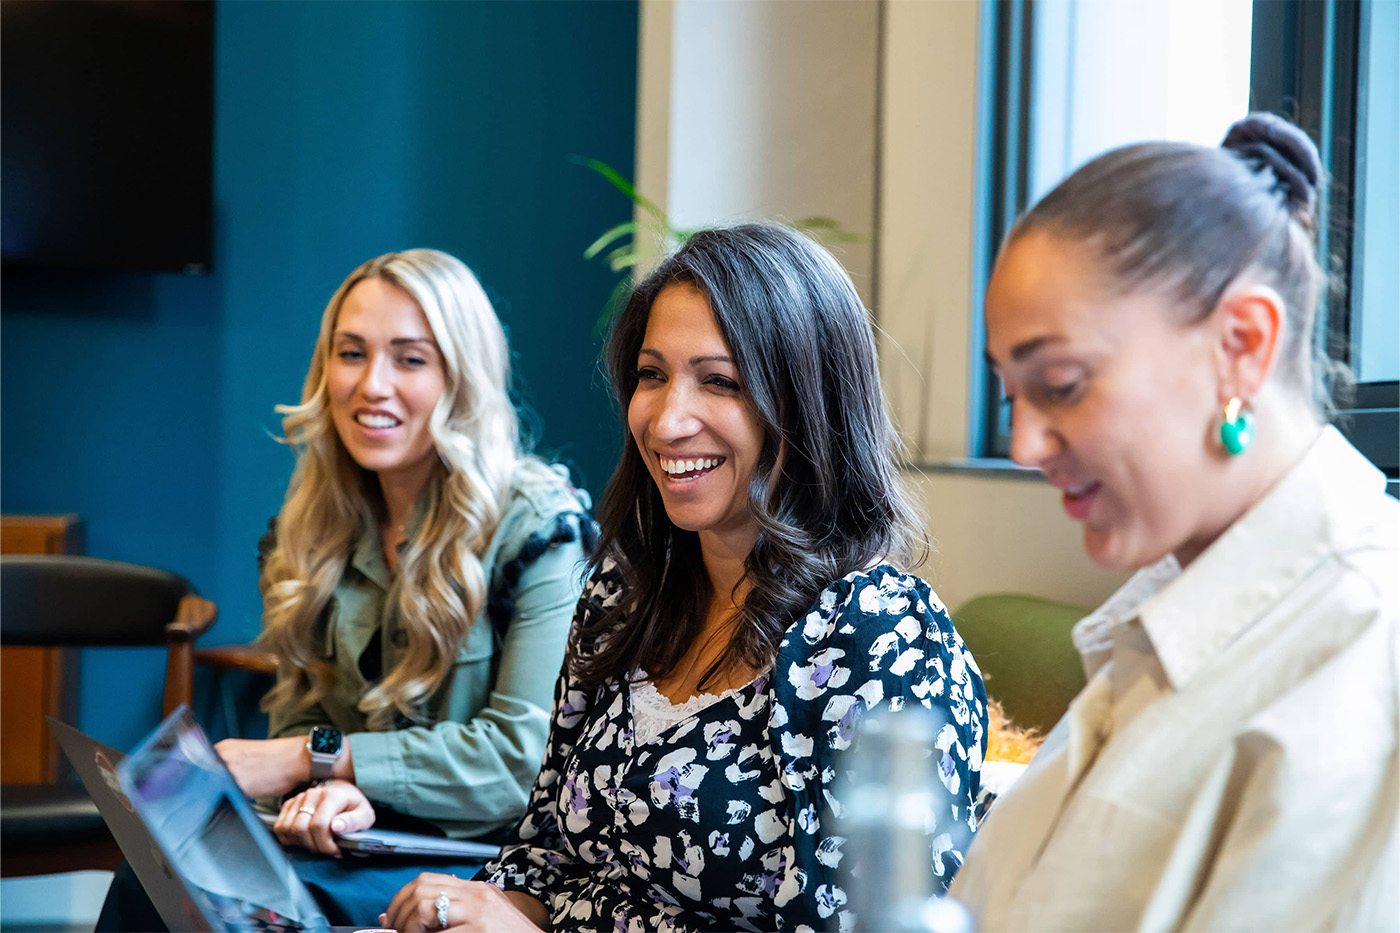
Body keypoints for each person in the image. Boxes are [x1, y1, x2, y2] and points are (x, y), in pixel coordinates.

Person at [382, 223, 989, 932]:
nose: (668, 421)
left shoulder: (877, 632)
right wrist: (468, 911)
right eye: (651, 375)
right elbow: (544, 851)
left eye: (720, 381)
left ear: (807, 402)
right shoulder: (625, 592)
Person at [950, 113, 1398, 929]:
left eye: (1062, 383)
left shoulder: (1366, 648)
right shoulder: (1160, 615)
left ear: (1241, 343)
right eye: (1012, 393)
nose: (1022, 444)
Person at [97, 249, 595, 929]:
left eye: (410, 358)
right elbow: (308, 714)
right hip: (368, 836)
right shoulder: (308, 529)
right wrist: (330, 791)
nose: (372, 385)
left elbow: (520, 761)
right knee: (154, 872)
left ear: (462, 377)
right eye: (352, 352)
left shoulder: (539, 529)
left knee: (268, 901)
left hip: (489, 857)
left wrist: (315, 759)